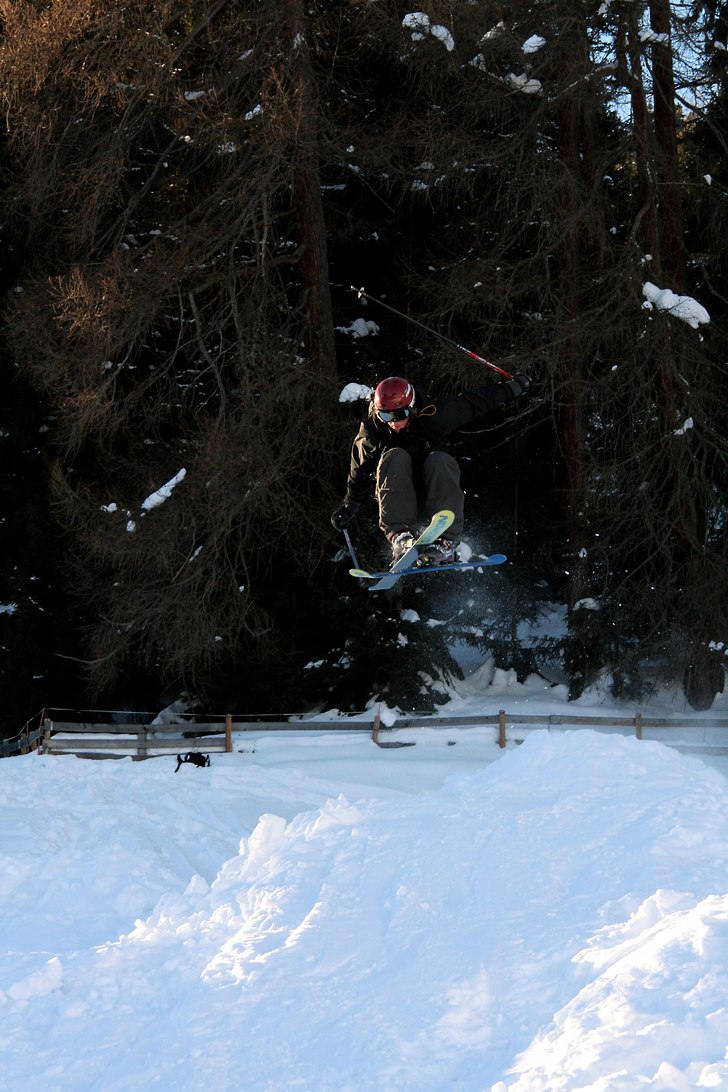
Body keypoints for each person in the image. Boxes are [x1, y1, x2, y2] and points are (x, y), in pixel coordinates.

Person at [331, 372, 532, 565]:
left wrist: (513, 388)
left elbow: (473, 402)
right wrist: (350, 506)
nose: (394, 423)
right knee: (395, 455)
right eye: (385, 416)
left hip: (434, 496)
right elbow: (359, 471)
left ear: (412, 407)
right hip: (396, 498)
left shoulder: (433, 416)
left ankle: (445, 540)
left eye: (400, 415)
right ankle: (401, 536)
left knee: (439, 459)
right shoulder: (371, 432)